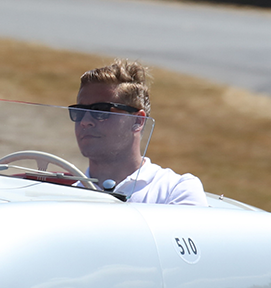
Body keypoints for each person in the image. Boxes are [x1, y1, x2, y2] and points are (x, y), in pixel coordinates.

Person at [71, 59, 205, 206]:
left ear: (137, 121)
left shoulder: (175, 191)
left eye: (101, 110)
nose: (85, 121)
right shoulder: (63, 195)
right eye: (79, 111)